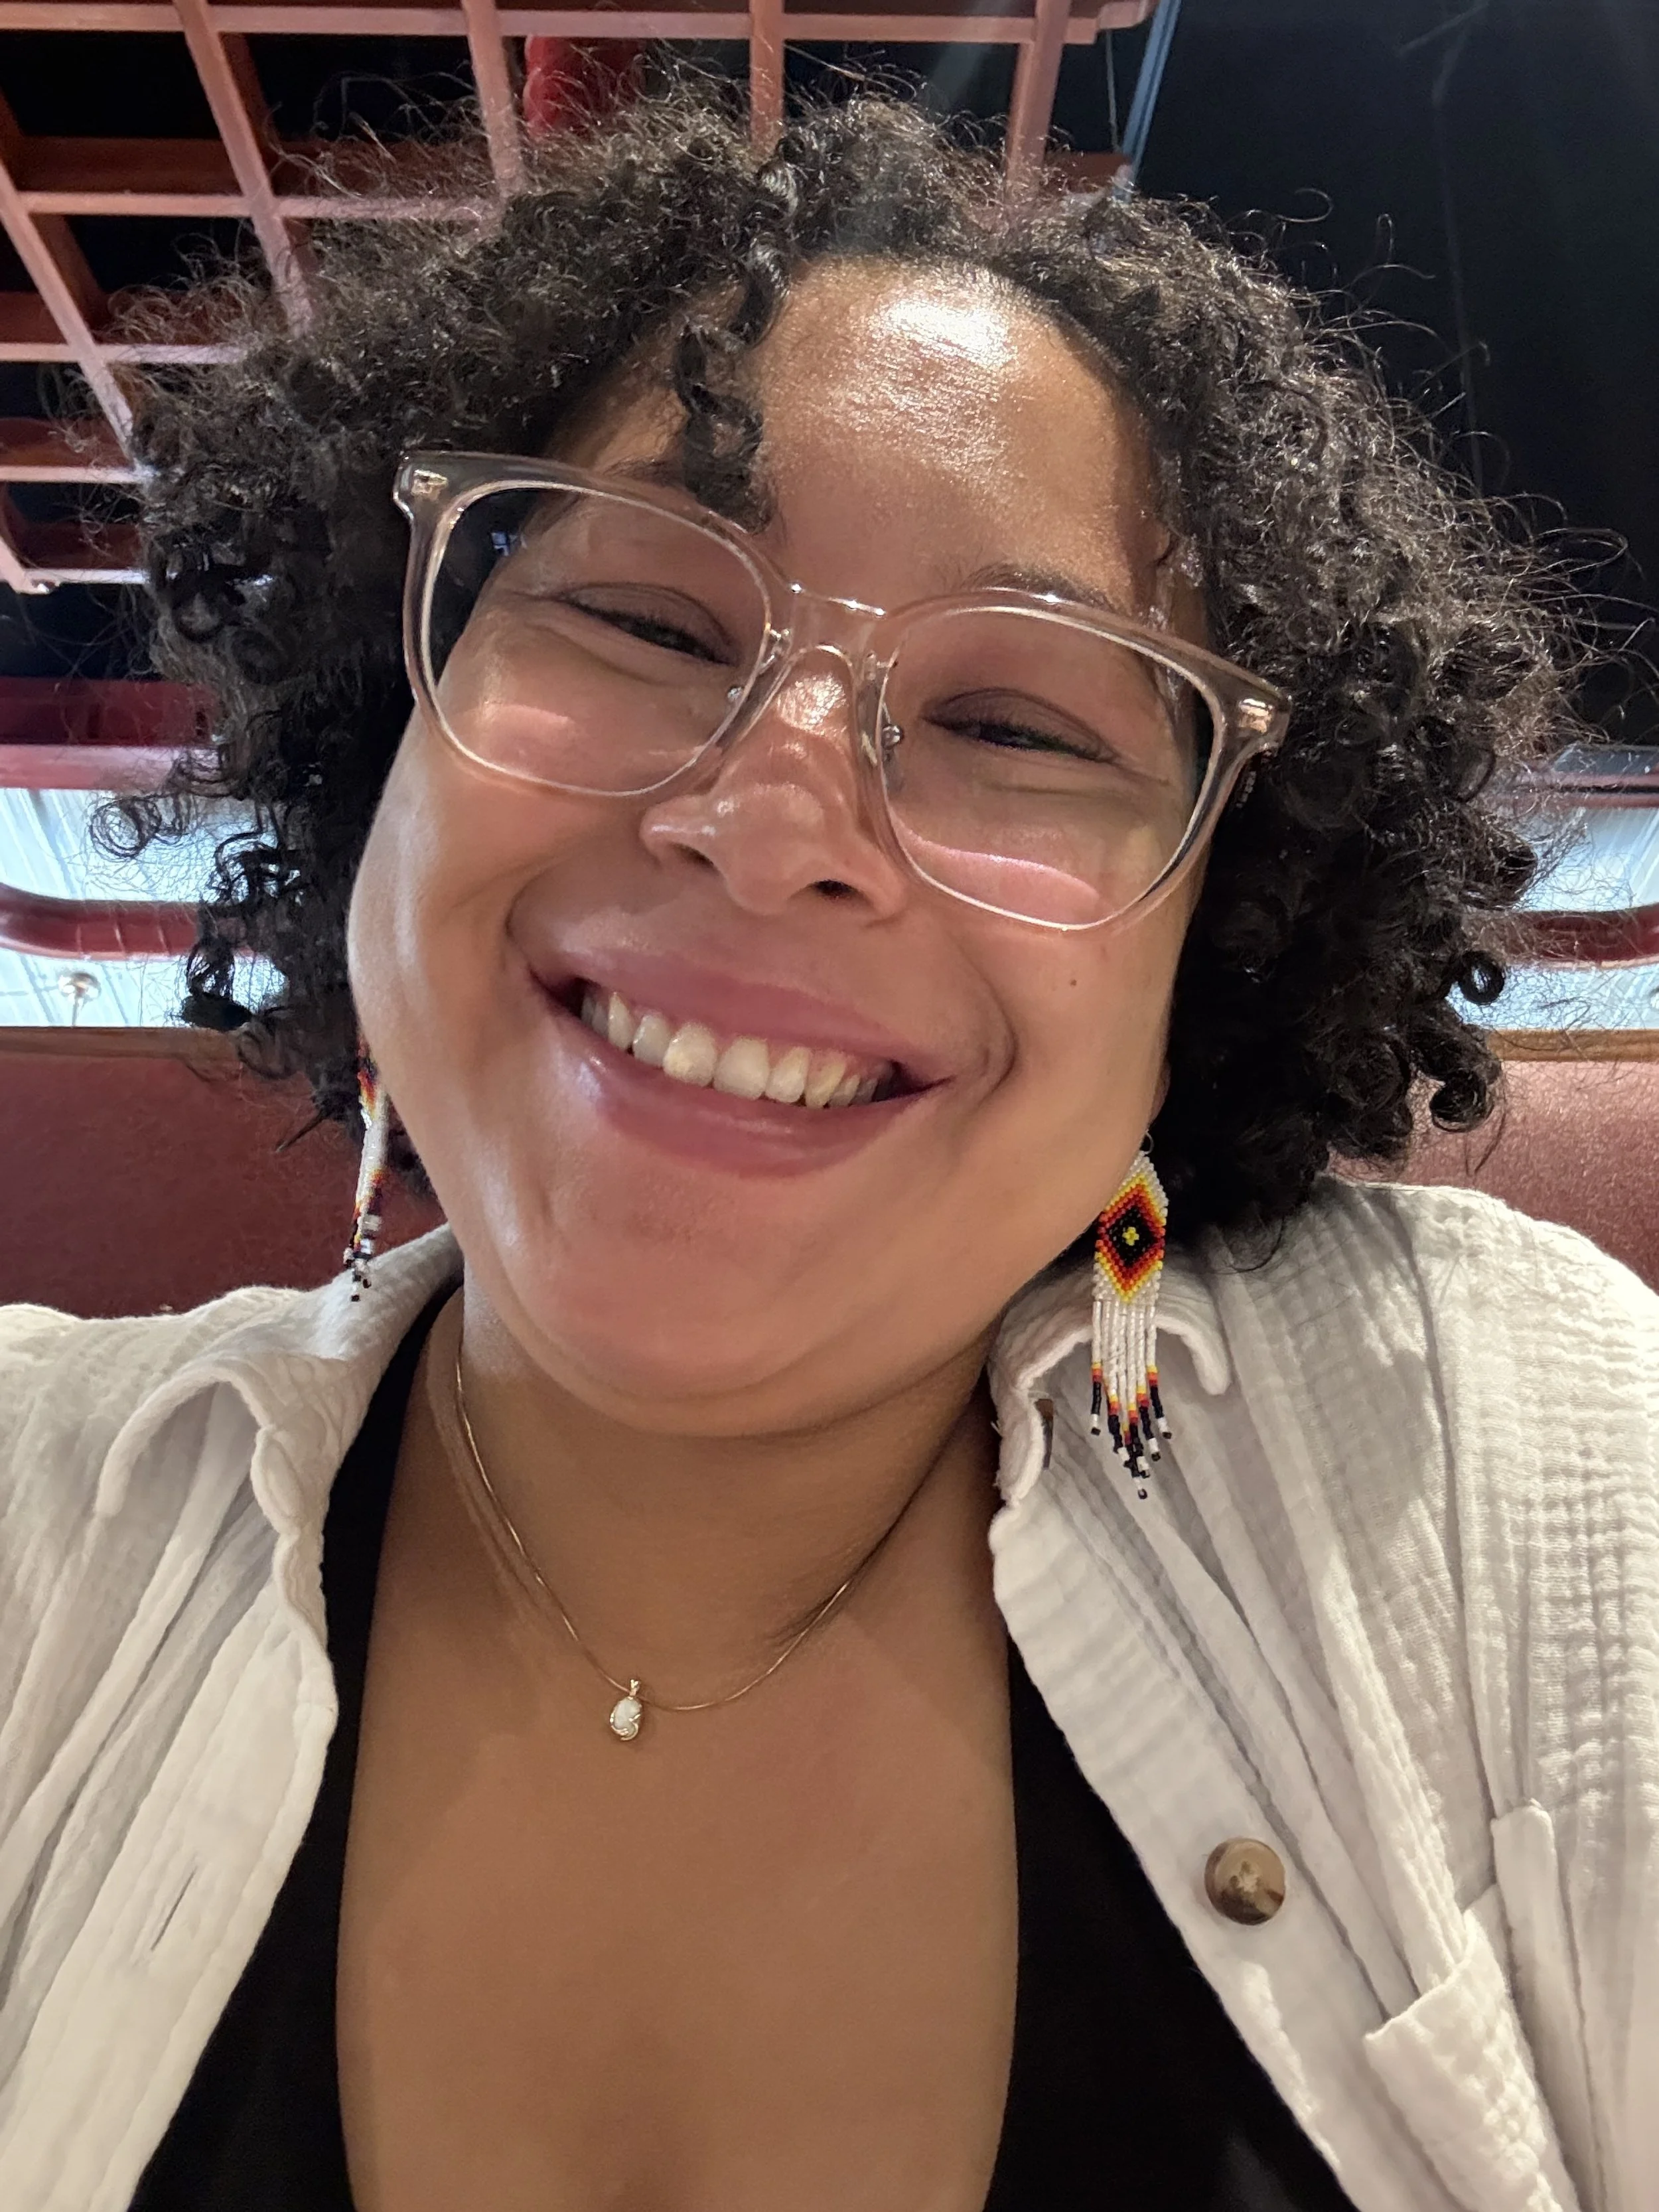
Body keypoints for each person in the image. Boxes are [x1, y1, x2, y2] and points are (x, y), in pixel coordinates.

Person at [1, 84, 1654, 2212]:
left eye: (1014, 724)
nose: (771, 825)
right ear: (384, 730)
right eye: (643, 620)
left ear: (1213, 946)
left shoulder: (1512, 1457)